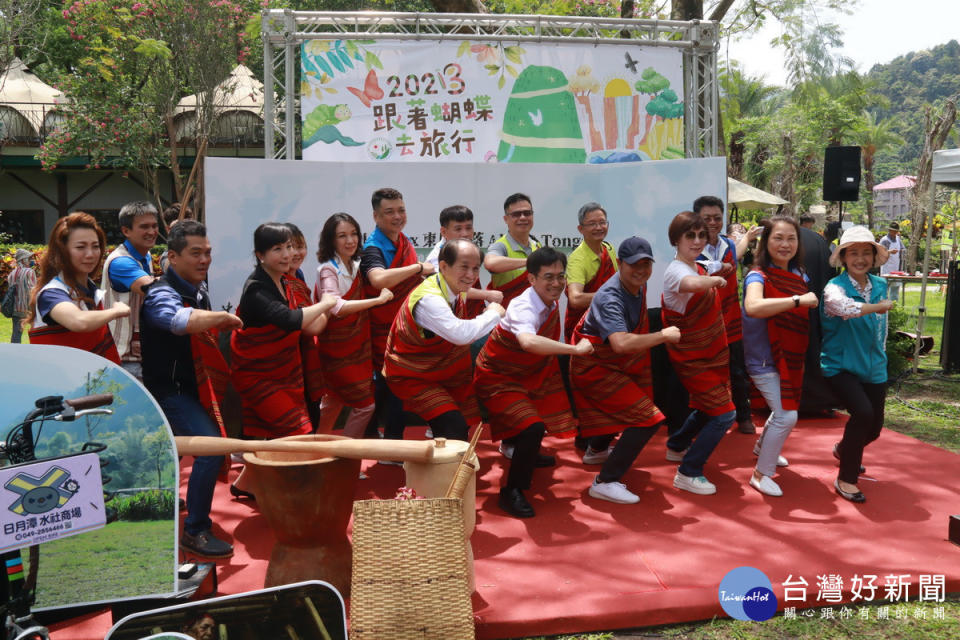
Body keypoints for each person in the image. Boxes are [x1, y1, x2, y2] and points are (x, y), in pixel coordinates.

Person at [141, 221, 242, 557]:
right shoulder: (161, 292)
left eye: (208, 252)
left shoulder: (197, 289)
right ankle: (195, 530)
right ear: (172, 256)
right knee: (210, 449)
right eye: (195, 253)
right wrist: (218, 319)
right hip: (169, 391)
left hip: (193, 388)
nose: (204, 260)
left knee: (168, 453)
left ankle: (160, 507)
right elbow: (176, 321)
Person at [475, 247, 590, 518]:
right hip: (497, 375)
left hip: (528, 371)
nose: (557, 283)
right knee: (532, 427)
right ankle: (511, 491)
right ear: (531, 279)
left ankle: (526, 454)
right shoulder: (524, 305)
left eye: (561, 276)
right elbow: (527, 342)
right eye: (548, 277)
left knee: (543, 415)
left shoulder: (549, 299)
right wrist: (574, 350)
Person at [571, 237, 680, 504]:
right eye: (634, 265)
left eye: (646, 264)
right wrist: (663, 335)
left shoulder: (637, 286)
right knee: (647, 419)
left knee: (631, 405)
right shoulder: (610, 296)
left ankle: (596, 449)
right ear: (619, 264)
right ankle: (605, 481)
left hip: (613, 365)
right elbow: (620, 343)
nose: (641, 270)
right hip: (595, 367)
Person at [383, 239, 504, 441]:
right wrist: (492, 314)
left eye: (475, 269)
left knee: (456, 429)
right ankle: (449, 472)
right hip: (413, 374)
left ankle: (444, 470)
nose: (471, 275)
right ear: (443, 266)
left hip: (441, 372)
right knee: (453, 426)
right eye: (464, 267)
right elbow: (460, 334)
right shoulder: (430, 298)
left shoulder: (454, 288)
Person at [231, 223, 337, 440]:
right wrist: (326, 303)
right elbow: (290, 320)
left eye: (289, 247)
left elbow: (310, 325)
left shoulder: (286, 282)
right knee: (298, 436)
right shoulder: (256, 289)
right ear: (260, 255)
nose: (288, 254)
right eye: (277, 249)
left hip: (286, 374)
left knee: (268, 446)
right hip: (258, 376)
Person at [741, 217, 818, 497]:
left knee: (782, 409)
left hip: (791, 356)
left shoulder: (799, 274)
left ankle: (764, 447)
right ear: (766, 242)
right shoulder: (757, 276)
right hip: (764, 359)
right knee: (787, 415)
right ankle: (761, 475)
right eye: (778, 238)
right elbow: (753, 306)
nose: (785, 244)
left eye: (791, 239)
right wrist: (798, 300)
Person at [661, 211, 735, 496]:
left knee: (708, 406)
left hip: (711, 355)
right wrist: (714, 281)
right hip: (693, 359)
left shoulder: (697, 265)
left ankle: (677, 446)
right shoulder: (677, 271)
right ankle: (688, 471)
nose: (696, 241)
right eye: (689, 236)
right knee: (725, 415)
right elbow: (691, 284)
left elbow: (719, 264)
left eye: (701, 236)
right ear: (675, 240)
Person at [821, 226, 894, 503]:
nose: (860, 259)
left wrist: (883, 356)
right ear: (843, 258)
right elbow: (844, 309)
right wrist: (877, 307)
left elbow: (881, 329)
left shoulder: (879, 285)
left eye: (866, 253)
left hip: (875, 365)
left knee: (874, 427)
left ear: (874, 256)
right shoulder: (834, 288)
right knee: (862, 414)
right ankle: (846, 478)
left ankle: (844, 449)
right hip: (840, 365)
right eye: (854, 253)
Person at [360, 187, 433, 445]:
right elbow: (378, 279)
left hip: (405, 327)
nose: (397, 216)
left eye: (401, 210)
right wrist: (417, 267)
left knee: (393, 385)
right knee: (392, 384)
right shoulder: (373, 248)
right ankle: (388, 440)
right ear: (376, 217)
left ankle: (381, 436)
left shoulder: (402, 241)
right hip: (381, 329)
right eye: (389, 212)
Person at [314, 213, 394, 436]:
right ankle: (345, 456)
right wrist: (377, 301)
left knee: (332, 402)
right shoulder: (328, 269)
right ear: (331, 240)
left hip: (358, 348)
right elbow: (335, 307)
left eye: (354, 234)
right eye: (342, 236)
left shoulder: (357, 266)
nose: (350, 240)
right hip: (336, 350)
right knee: (365, 404)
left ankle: (314, 448)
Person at [27, 213, 127, 362]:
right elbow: (79, 321)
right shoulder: (52, 293)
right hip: (58, 381)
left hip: (91, 380)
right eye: (80, 247)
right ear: (62, 252)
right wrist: (115, 311)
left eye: (95, 246)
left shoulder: (91, 289)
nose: (90, 254)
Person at [694, 195, 755, 434]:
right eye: (706, 218)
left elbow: (737, 253)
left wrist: (747, 239)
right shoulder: (691, 248)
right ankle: (705, 419)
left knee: (738, 371)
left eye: (717, 218)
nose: (712, 222)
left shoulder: (727, 245)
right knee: (704, 374)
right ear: (696, 219)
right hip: (702, 322)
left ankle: (744, 416)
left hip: (731, 320)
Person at [102, 201, 159, 379]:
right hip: (124, 359)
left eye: (154, 226)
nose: (152, 232)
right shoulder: (121, 262)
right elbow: (153, 289)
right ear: (126, 231)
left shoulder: (145, 255)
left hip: (140, 354)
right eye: (144, 227)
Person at [425, 205, 502, 317]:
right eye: (458, 229)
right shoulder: (436, 258)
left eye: (468, 228)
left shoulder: (467, 249)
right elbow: (448, 287)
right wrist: (486, 294)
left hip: (471, 314)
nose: (465, 233)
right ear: (443, 232)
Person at [283, 222, 326, 422]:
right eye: (290, 248)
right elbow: (312, 326)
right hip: (285, 359)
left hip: (303, 354)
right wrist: (327, 307)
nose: (297, 253)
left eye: (300, 247)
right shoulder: (277, 280)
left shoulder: (297, 274)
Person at [564, 202, 618, 342]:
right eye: (592, 224)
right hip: (587, 329)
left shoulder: (608, 248)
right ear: (580, 229)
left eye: (602, 222)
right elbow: (575, 299)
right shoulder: (577, 259)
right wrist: (611, 296)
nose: (598, 227)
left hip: (611, 322)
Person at [484, 193, 543, 308]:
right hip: (509, 317)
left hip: (536, 313)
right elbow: (490, 263)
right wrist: (530, 262)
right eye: (516, 214)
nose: (523, 217)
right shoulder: (500, 246)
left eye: (527, 213)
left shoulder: (537, 245)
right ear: (506, 219)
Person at [7, 248, 36, 343]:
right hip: (28, 308)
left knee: (16, 334)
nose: (32, 260)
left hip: (16, 309)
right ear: (23, 260)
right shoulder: (29, 272)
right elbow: (33, 290)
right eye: (29, 258)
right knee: (35, 331)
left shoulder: (11, 274)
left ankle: (14, 354)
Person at [879, 222, 905, 302]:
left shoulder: (898, 239)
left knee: (895, 290)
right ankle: (883, 307)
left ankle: (894, 307)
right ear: (889, 230)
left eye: (896, 231)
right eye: (893, 231)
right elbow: (879, 253)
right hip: (886, 268)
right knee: (884, 290)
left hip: (896, 268)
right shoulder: (884, 240)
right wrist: (889, 252)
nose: (895, 233)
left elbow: (903, 248)